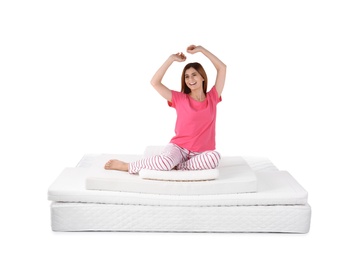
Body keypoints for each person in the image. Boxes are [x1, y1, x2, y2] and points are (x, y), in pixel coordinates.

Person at [104, 45, 226, 173]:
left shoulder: (213, 97)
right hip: (178, 148)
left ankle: (180, 166)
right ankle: (127, 166)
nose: (190, 79)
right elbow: (155, 82)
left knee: (214, 157)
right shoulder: (180, 98)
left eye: (194, 75)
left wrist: (201, 50)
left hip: (201, 153)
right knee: (165, 161)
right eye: (187, 76)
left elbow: (222, 68)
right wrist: (171, 59)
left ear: (202, 77)